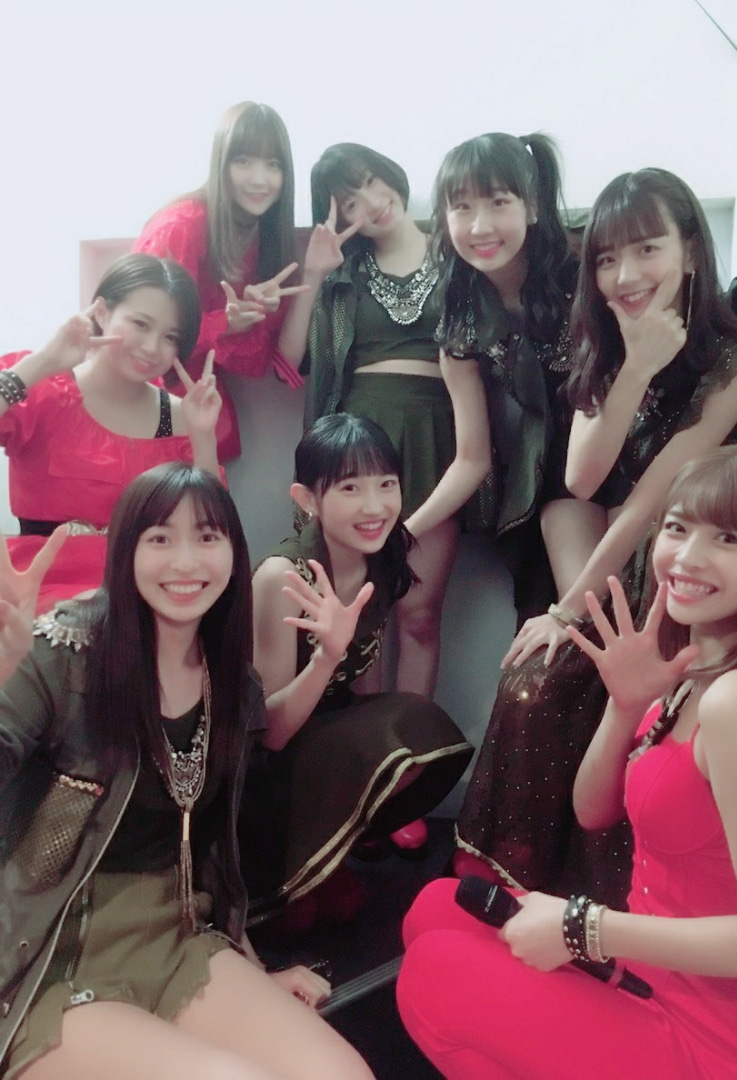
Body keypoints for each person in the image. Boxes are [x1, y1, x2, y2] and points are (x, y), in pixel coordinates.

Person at [398, 445, 737, 1080]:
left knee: (432, 976)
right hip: (651, 971)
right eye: (677, 527)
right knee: (436, 909)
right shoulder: (700, 666)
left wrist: (581, 926)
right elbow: (594, 811)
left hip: (718, 1038)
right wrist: (624, 706)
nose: (687, 557)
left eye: (727, 538)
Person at [454, 169, 737, 906]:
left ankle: (594, 905)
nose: (624, 275)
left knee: (562, 685)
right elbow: (582, 476)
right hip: (630, 554)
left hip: (684, 571)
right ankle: (503, 884)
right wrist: (634, 366)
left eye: (646, 249)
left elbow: (655, 499)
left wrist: (567, 609)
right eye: (605, 258)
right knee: (530, 679)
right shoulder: (607, 346)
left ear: (690, 251)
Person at [0, 462, 374, 1080]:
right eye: (160, 538)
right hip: (53, 953)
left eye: (206, 537)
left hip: (179, 934)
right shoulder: (59, 655)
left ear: (233, 552)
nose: (185, 561)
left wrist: (326, 661)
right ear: (126, 550)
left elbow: (263, 736)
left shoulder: (225, 674)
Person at [279, 143, 490, 697]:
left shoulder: (460, 256)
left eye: (372, 181)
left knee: (419, 614)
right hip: (359, 444)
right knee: (356, 613)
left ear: (392, 176)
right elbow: (289, 361)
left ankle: (412, 748)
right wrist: (315, 272)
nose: (370, 202)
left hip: (435, 443)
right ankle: (365, 746)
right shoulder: (344, 274)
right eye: (349, 202)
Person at [243, 414, 473, 902]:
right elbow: (268, 734)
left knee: (416, 729)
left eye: (386, 484)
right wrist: (326, 657)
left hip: (324, 723)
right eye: (350, 488)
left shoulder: (382, 558)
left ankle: (344, 839)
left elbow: (364, 672)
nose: (374, 506)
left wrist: (373, 750)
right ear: (307, 499)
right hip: (260, 760)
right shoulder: (283, 578)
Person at [0, 252, 222, 616]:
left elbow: (211, 528)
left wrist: (203, 436)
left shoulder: (182, 415)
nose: (151, 347)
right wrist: (42, 363)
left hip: (142, 599)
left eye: (170, 337)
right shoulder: (43, 388)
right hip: (34, 595)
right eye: (140, 324)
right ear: (102, 312)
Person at [431, 130, 579, 622]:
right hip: (538, 486)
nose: (480, 226)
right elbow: (471, 459)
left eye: (498, 203)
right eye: (462, 207)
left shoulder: (582, 276)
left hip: (619, 470)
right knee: (537, 643)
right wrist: (403, 534)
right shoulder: (461, 320)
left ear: (532, 206)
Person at [133, 101, 308, 461]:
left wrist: (256, 315)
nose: (259, 179)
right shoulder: (180, 227)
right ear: (221, 163)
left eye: (273, 164)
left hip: (199, 410)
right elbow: (141, 336)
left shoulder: (264, 239)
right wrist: (225, 323)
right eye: (243, 161)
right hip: (147, 406)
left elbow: (257, 366)